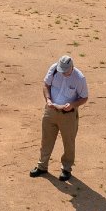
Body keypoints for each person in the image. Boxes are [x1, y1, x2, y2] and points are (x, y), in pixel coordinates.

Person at [30, 54, 89, 182]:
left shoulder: (79, 78)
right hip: (50, 111)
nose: (63, 73)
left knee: (69, 143)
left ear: (72, 67)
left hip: (68, 115)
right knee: (46, 140)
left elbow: (84, 97)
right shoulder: (54, 68)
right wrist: (48, 99)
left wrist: (72, 105)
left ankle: (66, 169)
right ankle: (42, 166)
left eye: (66, 72)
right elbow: (46, 84)